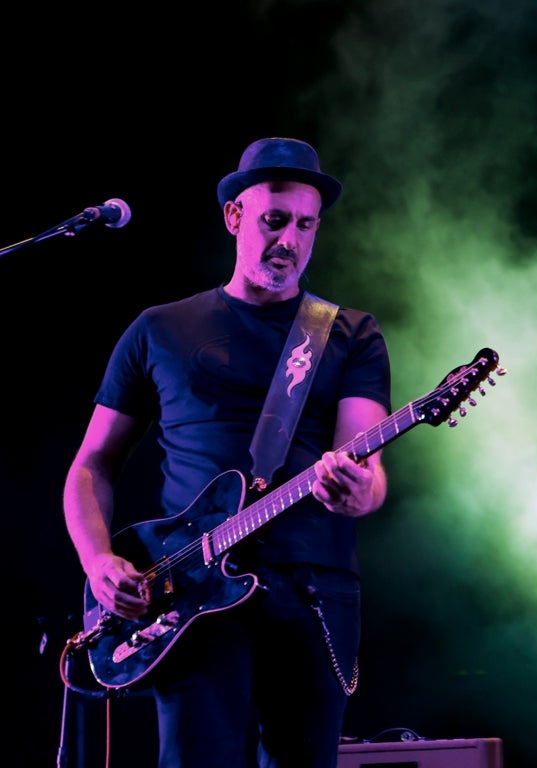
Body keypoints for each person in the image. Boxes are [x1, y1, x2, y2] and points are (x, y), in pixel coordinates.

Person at [63, 137, 392, 768]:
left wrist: (359, 490)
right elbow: (91, 465)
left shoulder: (348, 332)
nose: (289, 240)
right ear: (234, 217)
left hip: (313, 590)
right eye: (274, 220)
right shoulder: (160, 328)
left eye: (305, 225)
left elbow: (369, 472)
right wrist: (99, 559)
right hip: (188, 590)